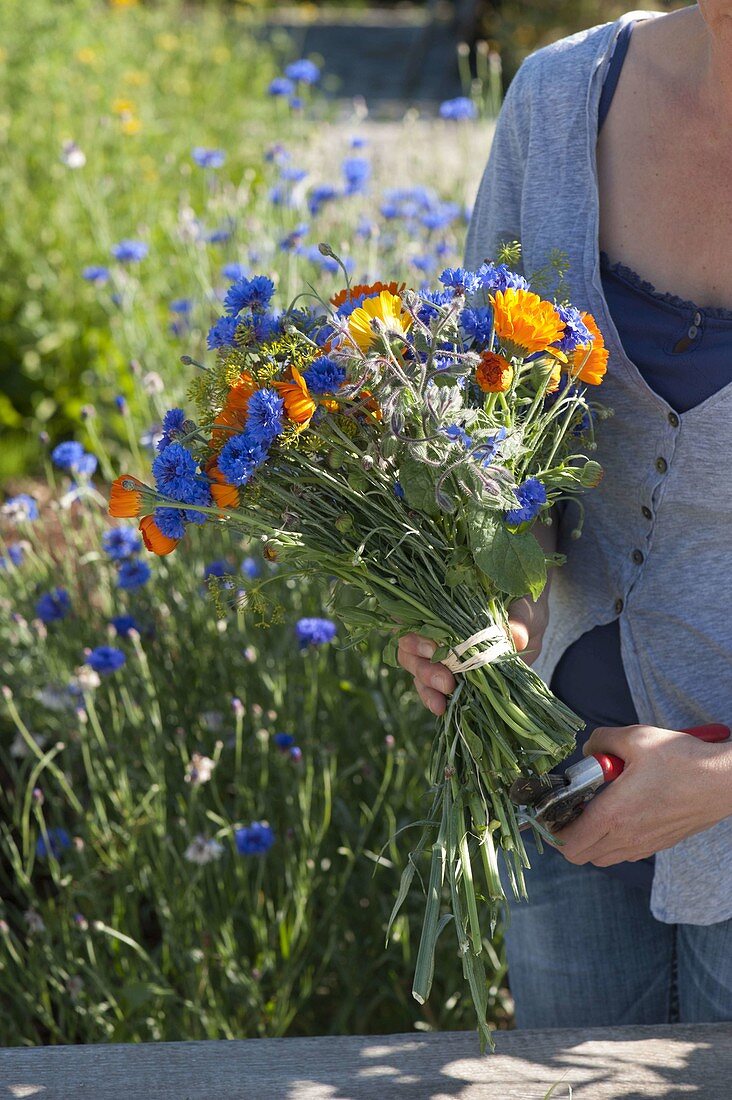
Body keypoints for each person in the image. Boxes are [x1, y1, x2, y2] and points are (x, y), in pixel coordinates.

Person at [398, 4, 732, 1027]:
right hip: (560, 783)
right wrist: (490, 594)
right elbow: (484, 421)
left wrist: (719, 776)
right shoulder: (558, 102)